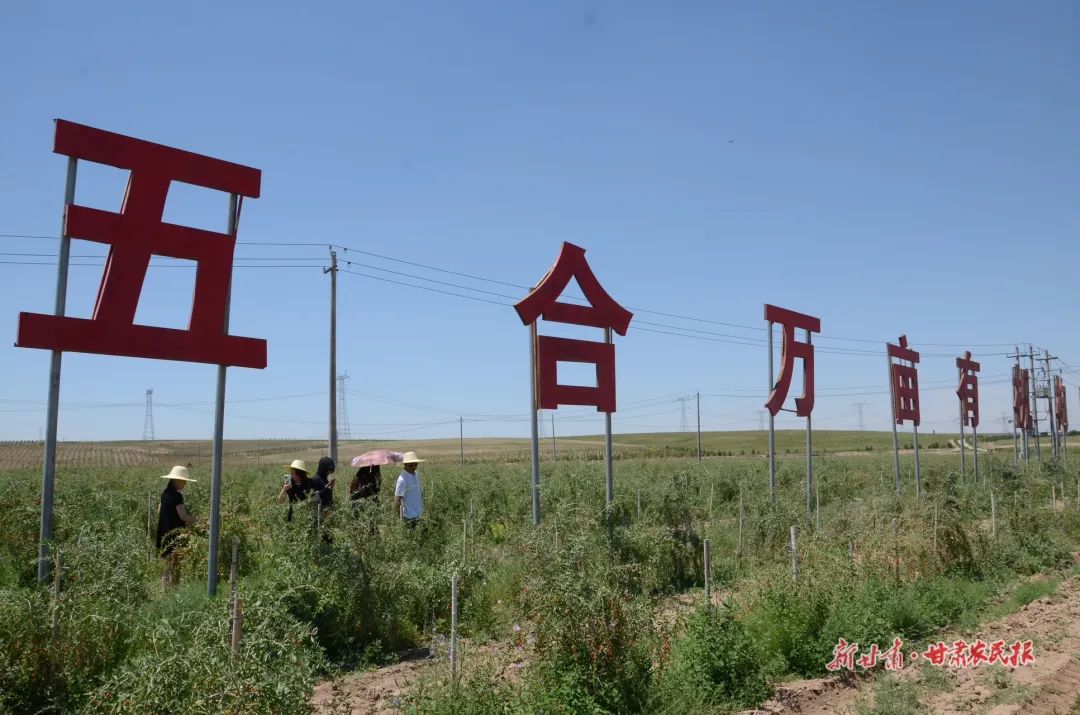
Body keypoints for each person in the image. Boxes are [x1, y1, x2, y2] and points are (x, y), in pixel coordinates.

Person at [157, 465, 196, 588]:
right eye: (183, 481)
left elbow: (159, 511)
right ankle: (172, 588)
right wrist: (197, 520)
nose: (185, 484)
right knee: (175, 563)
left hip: (163, 533)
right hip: (174, 534)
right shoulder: (177, 496)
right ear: (176, 480)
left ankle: (166, 588)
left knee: (167, 563)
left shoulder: (165, 494)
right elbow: (183, 516)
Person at [394, 452, 425, 527]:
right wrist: (398, 517)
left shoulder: (416, 474)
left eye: (415, 464)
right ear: (405, 465)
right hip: (409, 517)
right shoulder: (402, 480)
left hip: (419, 513)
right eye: (411, 465)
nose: (414, 467)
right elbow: (397, 499)